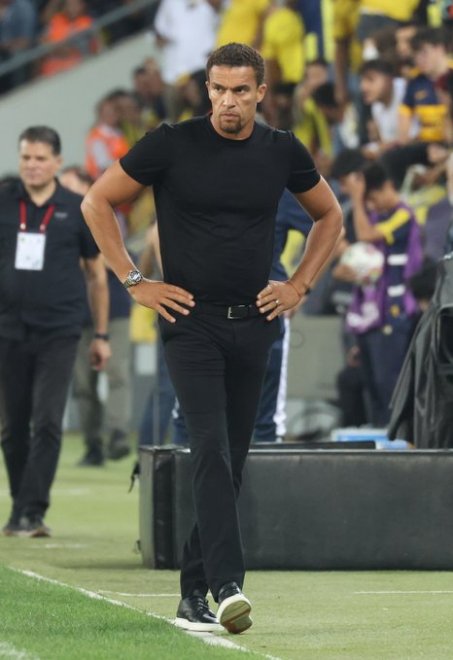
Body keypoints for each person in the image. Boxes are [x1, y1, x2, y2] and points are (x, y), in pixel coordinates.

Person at [81, 43, 342, 634]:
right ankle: (227, 586)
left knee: (233, 459)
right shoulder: (171, 142)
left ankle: (191, 593)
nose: (228, 101)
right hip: (189, 321)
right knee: (210, 449)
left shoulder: (282, 150)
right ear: (208, 89)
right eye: (219, 89)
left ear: (260, 93)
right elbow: (97, 201)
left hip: (255, 321)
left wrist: (298, 285)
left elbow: (331, 216)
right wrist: (135, 280)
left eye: (240, 90)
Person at [0, 126, 110, 538]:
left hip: (60, 331)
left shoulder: (77, 208)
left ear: (57, 162)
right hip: (8, 329)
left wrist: (101, 335)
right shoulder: (4, 202)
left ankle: (31, 511)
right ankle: (22, 506)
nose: (32, 165)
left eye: (40, 158)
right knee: (12, 427)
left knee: (47, 420)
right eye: (26, 157)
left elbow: (97, 276)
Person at [59, 166, 132, 466]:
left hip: (114, 309)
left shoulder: (105, 212)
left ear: (87, 186)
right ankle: (92, 444)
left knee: (116, 373)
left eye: (71, 185)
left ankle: (117, 434)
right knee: (83, 383)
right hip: (77, 311)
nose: (65, 191)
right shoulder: (59, 219)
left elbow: (112, 259)